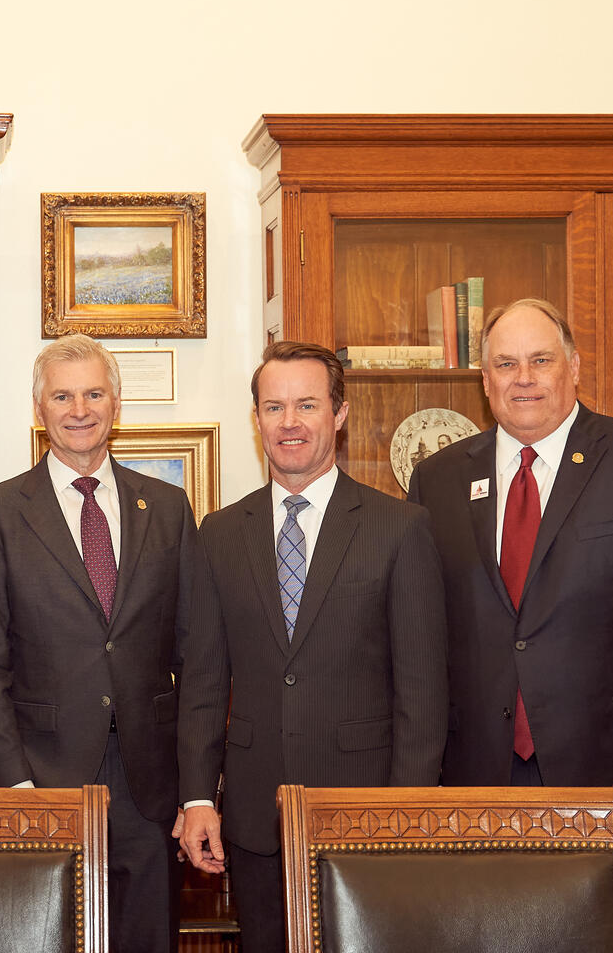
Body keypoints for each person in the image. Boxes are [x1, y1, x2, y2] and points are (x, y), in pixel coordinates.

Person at [404, 298, 613, 953]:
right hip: (476, 778)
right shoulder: (438, 479)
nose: (523, 377)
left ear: (574, 368)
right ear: (485, 380)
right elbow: (423, 638)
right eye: (505, 363)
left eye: (540, 360)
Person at [177, 340, 447, 953]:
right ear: (257, 420)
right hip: (253, 819)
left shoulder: (399, 529)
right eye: (274, 408)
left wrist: (402, 813)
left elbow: (422, 691)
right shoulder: (220, 533)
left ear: (339, 414)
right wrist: (198, 797)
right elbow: (203, 681)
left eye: (306, 405)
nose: (290, 423)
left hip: (363, 809)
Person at [0, 335, 197, 953]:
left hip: (149, 781)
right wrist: (11, 785)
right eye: (62, 396)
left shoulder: (168, 507)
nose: (79, 409)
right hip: (43, 775)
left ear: (117, 403)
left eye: (93, 393)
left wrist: (194, 785)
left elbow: (193, 655)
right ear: (40, 409)